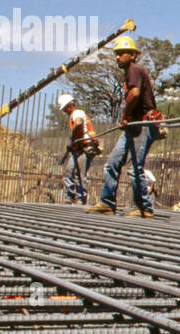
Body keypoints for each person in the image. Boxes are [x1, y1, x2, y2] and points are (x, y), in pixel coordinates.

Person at [87, 36, 160, 217]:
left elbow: (134, 94)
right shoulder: (130, 72)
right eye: (116, 54)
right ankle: (107, 202)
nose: (118, 57)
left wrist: (125, 115)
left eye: (122, 54)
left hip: (142, 124)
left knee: (135, 168)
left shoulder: (134, 70)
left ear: (133, 55)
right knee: (112, 163)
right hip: (132, 126)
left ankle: (144, 208)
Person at [57, 93, 100, 205]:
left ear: (69, 105)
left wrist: (72, 135)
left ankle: (81, 199)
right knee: (69, 171)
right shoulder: (74, 114)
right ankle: (69, 197)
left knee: (80, 174)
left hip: (85, 147)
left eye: (65, 108)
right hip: (77, 148)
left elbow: (79, 122)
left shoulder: (77, 113)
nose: (64, 111)